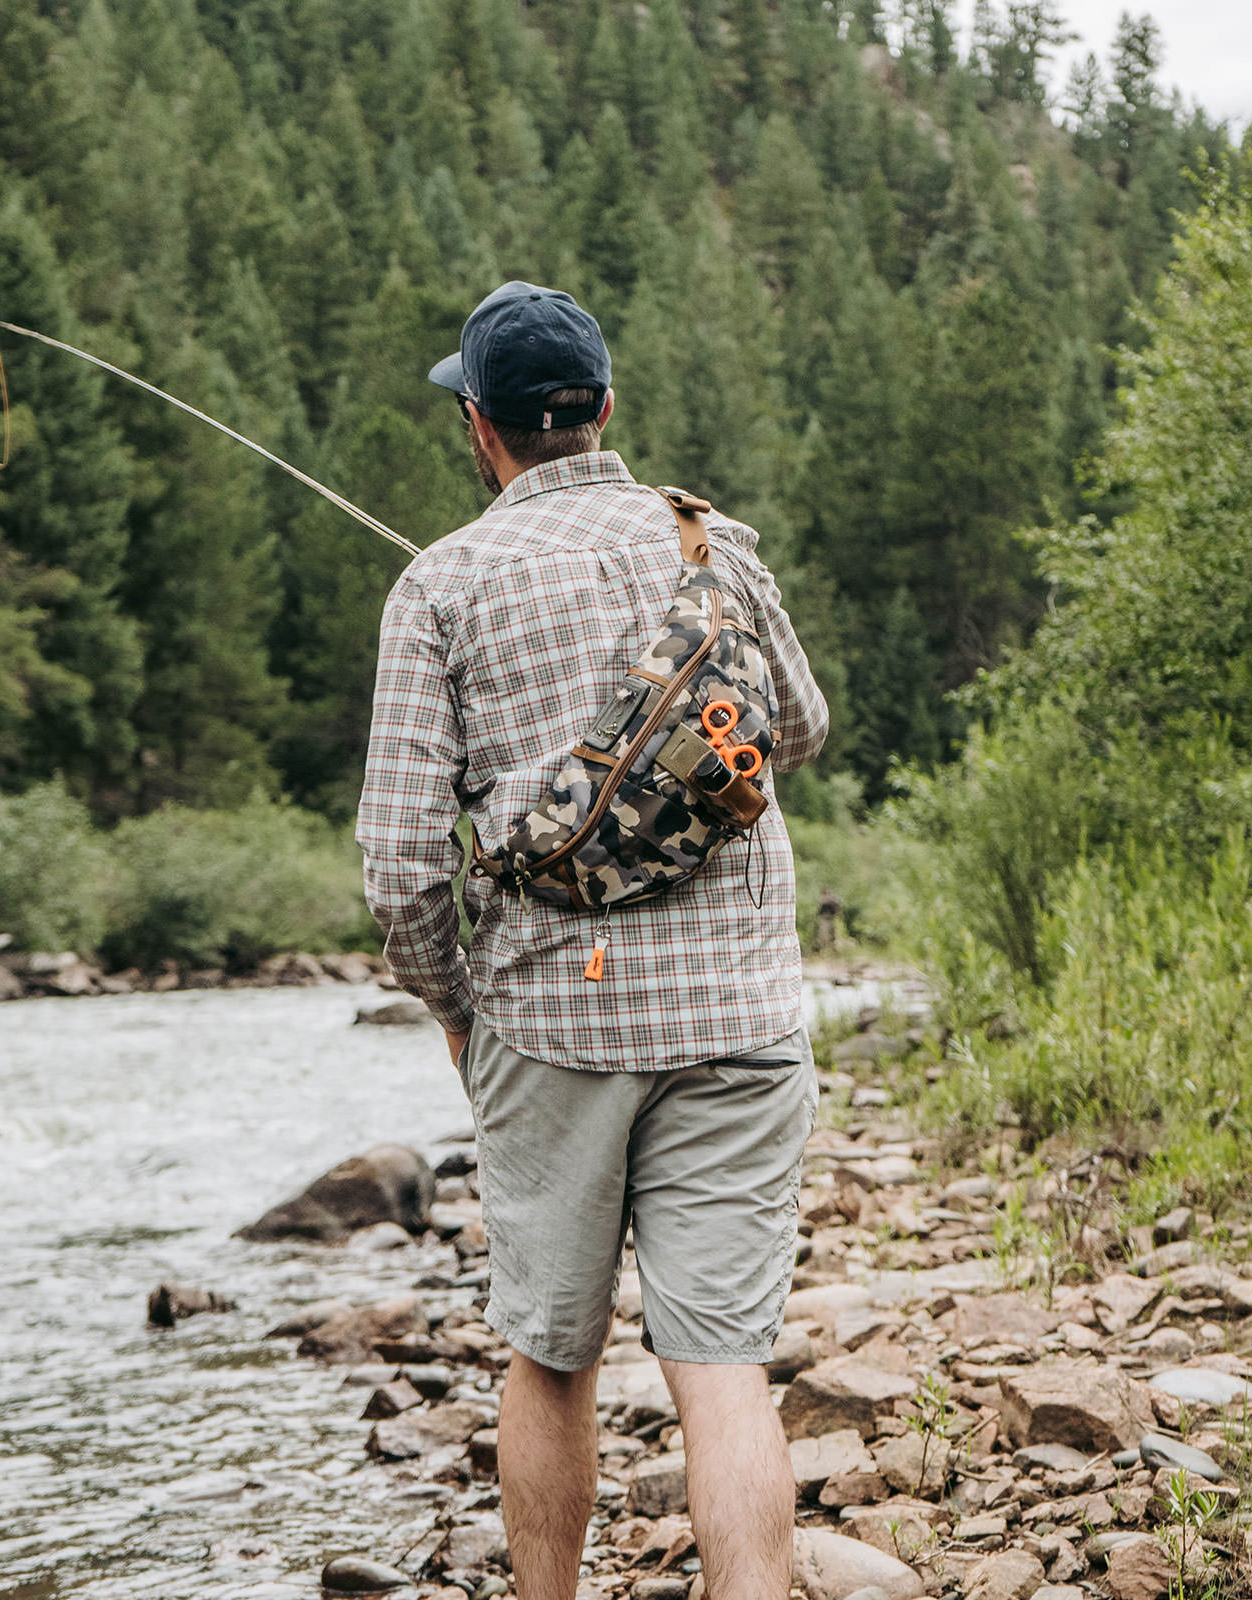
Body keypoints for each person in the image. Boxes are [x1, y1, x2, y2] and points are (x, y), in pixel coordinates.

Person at [357, 281, 829, 1600]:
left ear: (481, 428)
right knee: (723, 1369)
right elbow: (797, 729)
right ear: (605, 410)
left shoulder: (439, 584)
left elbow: (398, 865)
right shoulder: (711, 545)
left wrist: (460, 1011)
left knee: (551, 1356)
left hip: (548, 1028)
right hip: (738, 1014)